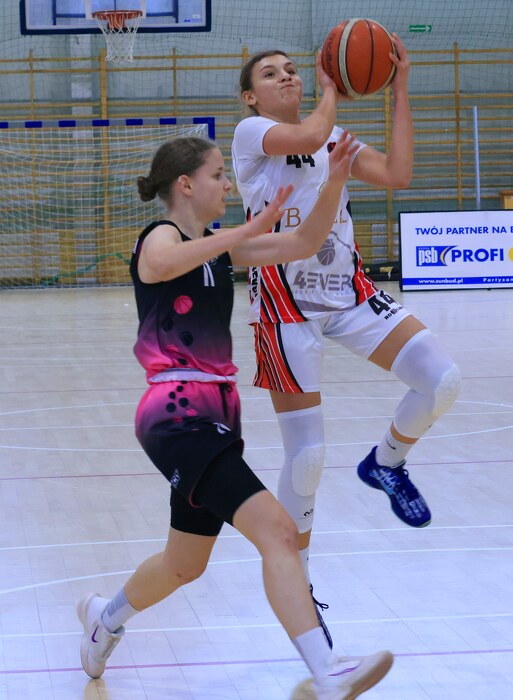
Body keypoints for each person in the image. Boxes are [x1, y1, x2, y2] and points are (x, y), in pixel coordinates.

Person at [76, 134, 395, 700]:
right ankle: (327, 669)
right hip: (178, 413)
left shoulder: (218, 248)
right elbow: (160, 264)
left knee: (184, 563)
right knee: (279, 531)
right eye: (218, 174)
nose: (228, 184)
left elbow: (304, 241)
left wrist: (335, 182)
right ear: (185, 185)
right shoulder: (161, 236)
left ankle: (106, 619)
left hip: (215, 415)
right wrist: (242, 232)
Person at [232, 42, 461, 644]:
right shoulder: (253, 134)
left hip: (347, 289)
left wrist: (399, 86)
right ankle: (301, 588)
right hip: (284, 303)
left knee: (441, 379)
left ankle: (385, 463)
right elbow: (309, 135)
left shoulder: (328, 136)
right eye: (271, 74)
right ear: (251, 96)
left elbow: (398, 174)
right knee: (307, 457)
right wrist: (333, 83)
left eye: (292, 70)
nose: (287, 77)